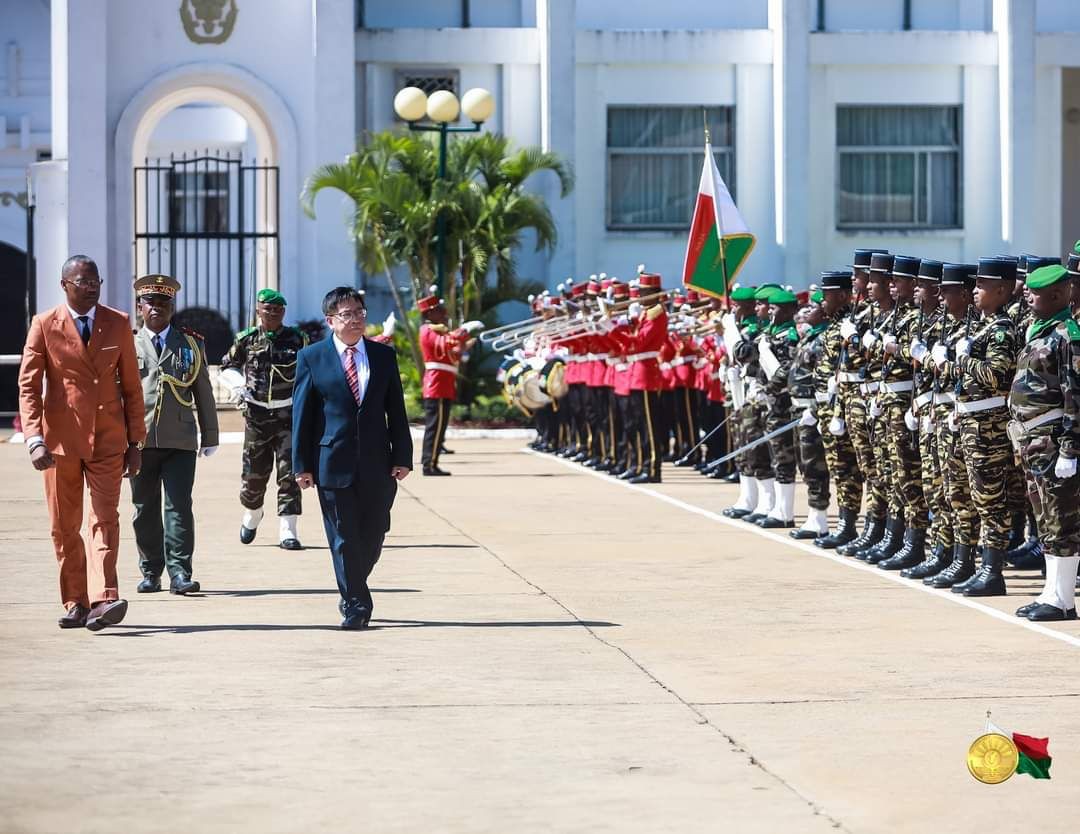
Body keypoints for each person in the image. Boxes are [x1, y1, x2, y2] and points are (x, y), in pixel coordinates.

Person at [18, 255, 146, 631]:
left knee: (105, 518)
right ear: (64, 285)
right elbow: (28, 387)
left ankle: (104, 598)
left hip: (109, 438)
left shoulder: (118, 322)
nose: (91, 288)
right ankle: (75, 601)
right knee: (64, 525)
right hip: (60, 443)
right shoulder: (44, 325)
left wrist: (136, 442)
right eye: (83, 282)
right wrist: (34, 439)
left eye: (96, 282)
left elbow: (132, 387)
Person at [292, 287, 413, 630]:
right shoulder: (312, 358)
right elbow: (302, 415)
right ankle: (357, 605)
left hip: (378, 462)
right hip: (332, 462)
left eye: (360, 312)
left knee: (374, 533)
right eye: (347, 314)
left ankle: (352, 584)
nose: (356, 319)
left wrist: (403, 456)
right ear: (331, 321)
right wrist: (301, 465)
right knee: (343, 537)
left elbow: (397, 413)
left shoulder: (382, 356)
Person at [129, 275, 219, 595]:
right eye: (150, 303)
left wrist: (210, 435)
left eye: (163, 303)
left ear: (172, 307)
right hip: (138, 440)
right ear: (140, 307)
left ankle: (180, 572)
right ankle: (151, 571)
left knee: (179, 506)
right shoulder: (127, 344)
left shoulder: (191, 344)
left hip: (179, 439)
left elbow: (203, 391)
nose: (156, 308)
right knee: (144, 507)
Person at [1008, 263, 1080, 620]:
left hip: (1053, 442)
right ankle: (1052, 591)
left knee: (1061, 521)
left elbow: (1075, 395)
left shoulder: (1067, 336)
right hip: (1033, 443)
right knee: (1045, 522)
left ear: (1056, 295)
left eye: (1035, 293)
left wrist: (1070, 449)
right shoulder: (1040, 330)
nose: (1028, 296)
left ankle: (1064, 599)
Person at [219, 288, 309, 549]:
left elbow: (311, 370)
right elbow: (227, 366)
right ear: (258, 310)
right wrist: (237, 386)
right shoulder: (246, 339)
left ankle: (288, 529)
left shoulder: (297, 339)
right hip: (256, 416)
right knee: (253, 476)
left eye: (278, 309)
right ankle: (253, 512)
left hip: (287, 415)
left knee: (290, 474)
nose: (273, 313)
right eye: (267, 309)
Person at [417, 291, 479, 476]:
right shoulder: (427, 330)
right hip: (437, 384)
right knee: (435, 427)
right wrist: (463, 331)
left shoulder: (437, 330)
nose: (444, 314)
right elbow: (445, 345)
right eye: (439, 311)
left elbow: (453, 353)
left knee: (439, 427)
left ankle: (431, 461)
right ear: (429, 314)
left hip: (443, 383)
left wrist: (463, 345)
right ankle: (429, 464)